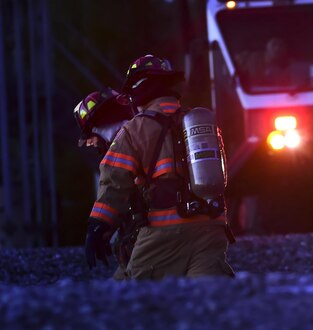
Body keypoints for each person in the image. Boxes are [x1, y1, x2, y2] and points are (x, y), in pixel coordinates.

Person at [84, 55, 234, 279]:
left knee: (133, 299)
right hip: (211, 229)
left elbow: (114, 180)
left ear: (137, 90)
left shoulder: (135, 129)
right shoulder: (197, 122)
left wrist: (98, 225)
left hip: (164, 233)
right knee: (209, 304)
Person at [74, 87, 138, 279]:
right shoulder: (139, 136)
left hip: (154, 243)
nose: (90, 144)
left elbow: (115, 189)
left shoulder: (123, 146)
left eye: (90, 136)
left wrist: (97, 227)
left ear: (102, 127)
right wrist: (105, 231)